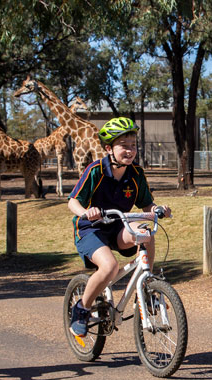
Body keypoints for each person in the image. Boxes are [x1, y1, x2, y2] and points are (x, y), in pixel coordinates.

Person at [67, 117, 171, 337]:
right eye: (124, 146)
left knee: (146, 233)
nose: (130, 150)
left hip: (118, 226)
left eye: (133, 145)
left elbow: (146, 204)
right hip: (91, 229)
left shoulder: (136, 174)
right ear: (109, 148)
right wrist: (86, 212)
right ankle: (82, 308)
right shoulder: (95, 170)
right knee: (110, 267)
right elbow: (72, 201)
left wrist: (158, 208)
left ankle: (146, 286)